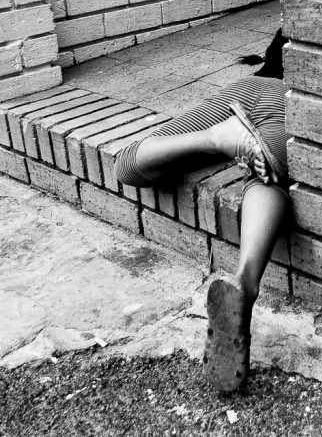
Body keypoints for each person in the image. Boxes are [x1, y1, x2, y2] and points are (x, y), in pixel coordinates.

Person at [114, 30, 288, 392]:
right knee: (268, 178)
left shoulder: (288, 22)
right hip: (289, 101)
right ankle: (245, 283)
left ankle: (218, 138)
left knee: (127, 164)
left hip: (243, 91)